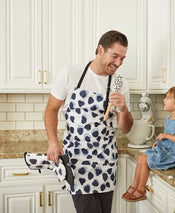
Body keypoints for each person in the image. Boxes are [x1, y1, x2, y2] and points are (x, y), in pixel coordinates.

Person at [44, 30, 133, 213]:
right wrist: (53, 142)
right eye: (114, 56)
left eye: (122, 59)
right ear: (101, 49)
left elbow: (126, 128)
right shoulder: (71, 73)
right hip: (77, 161)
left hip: (105, 160)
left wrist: (123, 109)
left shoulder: (120, 84)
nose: (118, 63)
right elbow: (51, 110)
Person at [122, 86, 175, 202]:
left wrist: (165, 136)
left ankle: (141, 190)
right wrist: (159, 142)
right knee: (141, 158)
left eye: (167, 98)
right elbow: (169, 138)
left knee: (145, 159)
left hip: (173, 155)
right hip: (165, 150)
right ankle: (134, 187)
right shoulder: (169, 118)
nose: (164, 100)